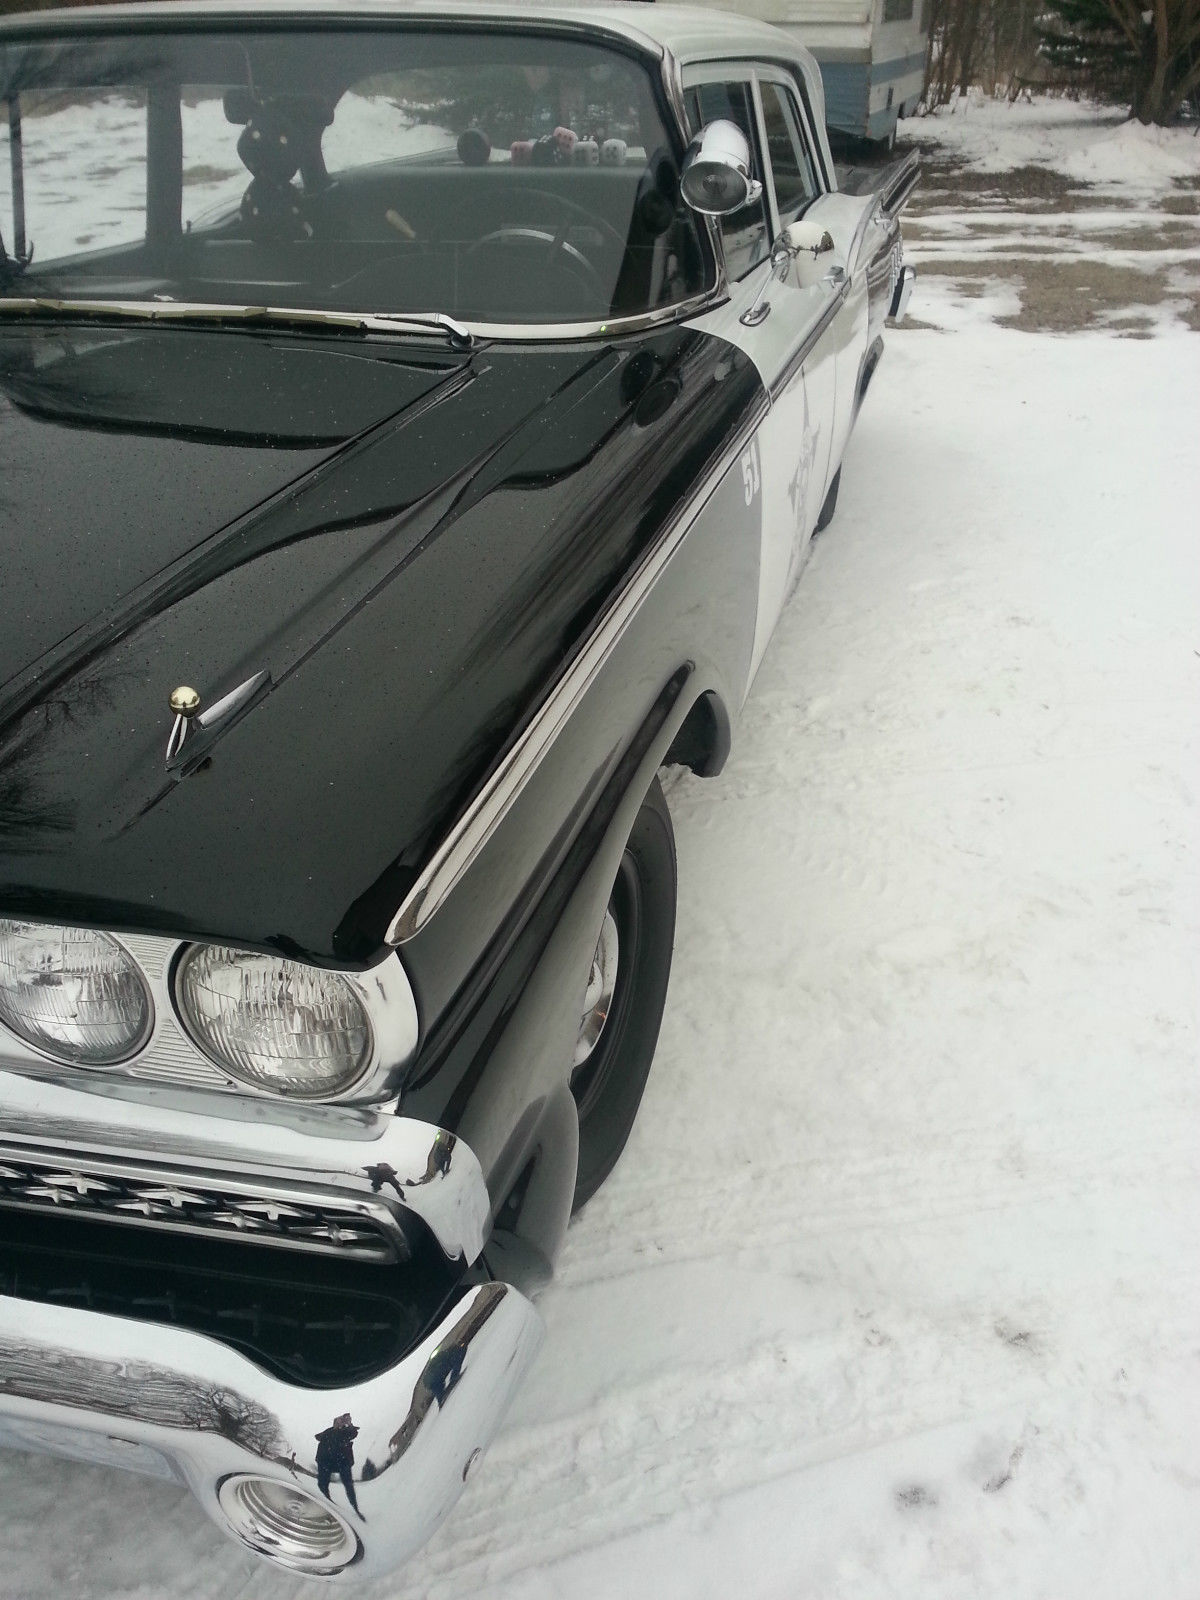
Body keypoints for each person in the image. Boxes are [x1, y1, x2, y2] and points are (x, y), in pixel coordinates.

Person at [315, 1412, 364, 1519]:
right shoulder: (328, 1433)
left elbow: (354, 1433)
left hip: (343, 1462)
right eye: (338, 1420)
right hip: (325, 1461)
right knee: (322, 1483)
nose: (340, 1422)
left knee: (348, 1485)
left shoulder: (346, 1432)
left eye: (342, 1421)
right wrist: (333, 1429)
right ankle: (327, 1501)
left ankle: (355, 1508)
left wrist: (349, 1424)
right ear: (334, 1423)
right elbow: (318, 1437)